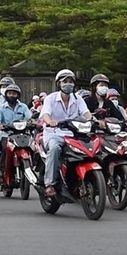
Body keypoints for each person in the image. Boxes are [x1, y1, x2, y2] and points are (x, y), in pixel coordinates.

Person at [39, 69, 92, 197]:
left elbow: (86, 113)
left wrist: (92, 119)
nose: (68, 84)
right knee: (55, 148)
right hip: (54, 134)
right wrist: (50, 121)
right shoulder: (51, 98)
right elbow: (45, 114)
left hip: (73, 135)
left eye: (71, 82)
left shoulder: (78, 98)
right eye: (65, 82)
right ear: (59, 84)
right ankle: (50, 184)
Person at [0, 83, 31, 176]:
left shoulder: (23, 107)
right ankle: (2, 170)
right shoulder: (1, 108)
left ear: (18, 95)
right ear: (6, 95)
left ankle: (30, 166)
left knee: (32, 146)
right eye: (10, 93)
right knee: (6, 148)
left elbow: (29, 118)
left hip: (21, 134)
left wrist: (32, 123)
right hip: (6, 134)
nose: (12, 95)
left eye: (14, 93)